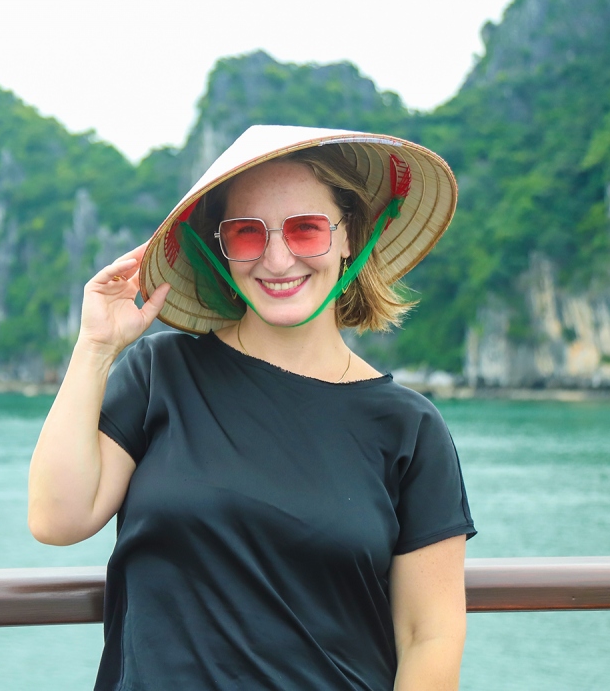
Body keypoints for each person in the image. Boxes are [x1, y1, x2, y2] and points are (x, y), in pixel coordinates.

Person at [28, 125, 475, 690]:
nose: (278, 259)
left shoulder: (409, 428)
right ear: (221, 248)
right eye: (247, 234)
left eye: (306, 229)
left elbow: (429, 635)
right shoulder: (160, 374)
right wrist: (95, 347)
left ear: (349, 236)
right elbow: (57, 518)